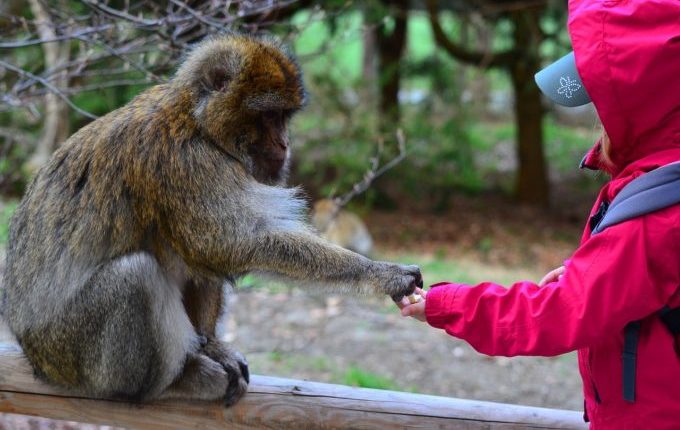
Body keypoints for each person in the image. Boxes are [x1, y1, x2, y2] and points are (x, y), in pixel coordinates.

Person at [397, 0, 680, 428]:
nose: (597, 119)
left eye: (602, 99)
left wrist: (447, 303)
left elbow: (560, 315)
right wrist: (590, 271)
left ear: (640, 102)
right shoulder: (663, 183)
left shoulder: (656, 214)